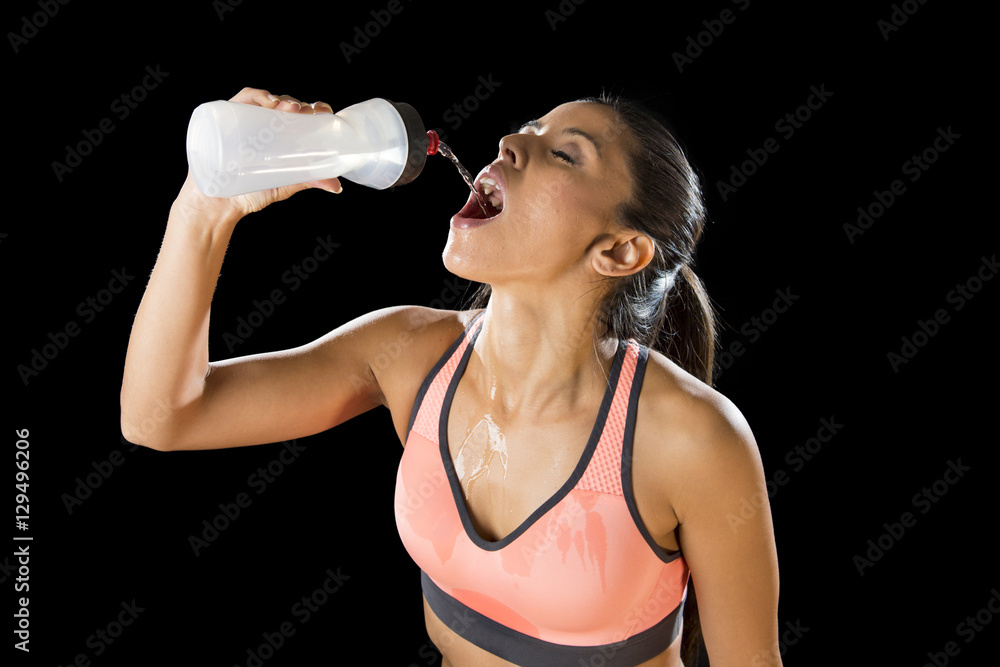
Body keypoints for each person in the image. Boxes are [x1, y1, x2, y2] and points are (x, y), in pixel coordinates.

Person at [121, 87, 781, 666]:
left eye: (566, 153)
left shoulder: (692, 438)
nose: (512, 141)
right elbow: (161, 417)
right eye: (528, 128)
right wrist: (203, 211)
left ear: (619, 250)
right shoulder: (410, 353)